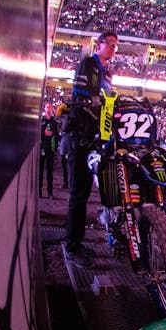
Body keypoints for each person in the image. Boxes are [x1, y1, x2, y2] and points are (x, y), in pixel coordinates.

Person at [63, 30, 118, 267]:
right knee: (78, 194)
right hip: (80, 136)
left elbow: (107, 103)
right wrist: (99, 106)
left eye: (116, 45)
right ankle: (71, 247)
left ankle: (77, 242)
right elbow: (80, 98)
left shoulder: (108, 73)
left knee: (86, 193)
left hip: (95, 138)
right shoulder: (88, 64)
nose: (113, 47)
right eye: (110, 43)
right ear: (99, 45)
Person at [38, 102, 59, 198]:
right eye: (47, 107)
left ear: (52, 109)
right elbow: (37, 133)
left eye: (50, 107)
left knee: (50, 172)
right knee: (40, 171)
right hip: (41, 148)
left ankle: (50, 193)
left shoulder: (54, 122)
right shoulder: (41, 121)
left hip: (50, 149)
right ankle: (39, 191)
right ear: (44, 109)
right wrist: (43, 133)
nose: (48, 109)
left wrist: (55, 148)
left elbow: (57, 136)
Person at [56, 101, 70, 189]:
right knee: (65, 163)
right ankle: (66, 183)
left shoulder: (67, 116)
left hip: (68, 140)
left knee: (68, 163)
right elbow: (58, 114)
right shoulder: (64, 116)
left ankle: (68, 183)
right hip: (65, 140)